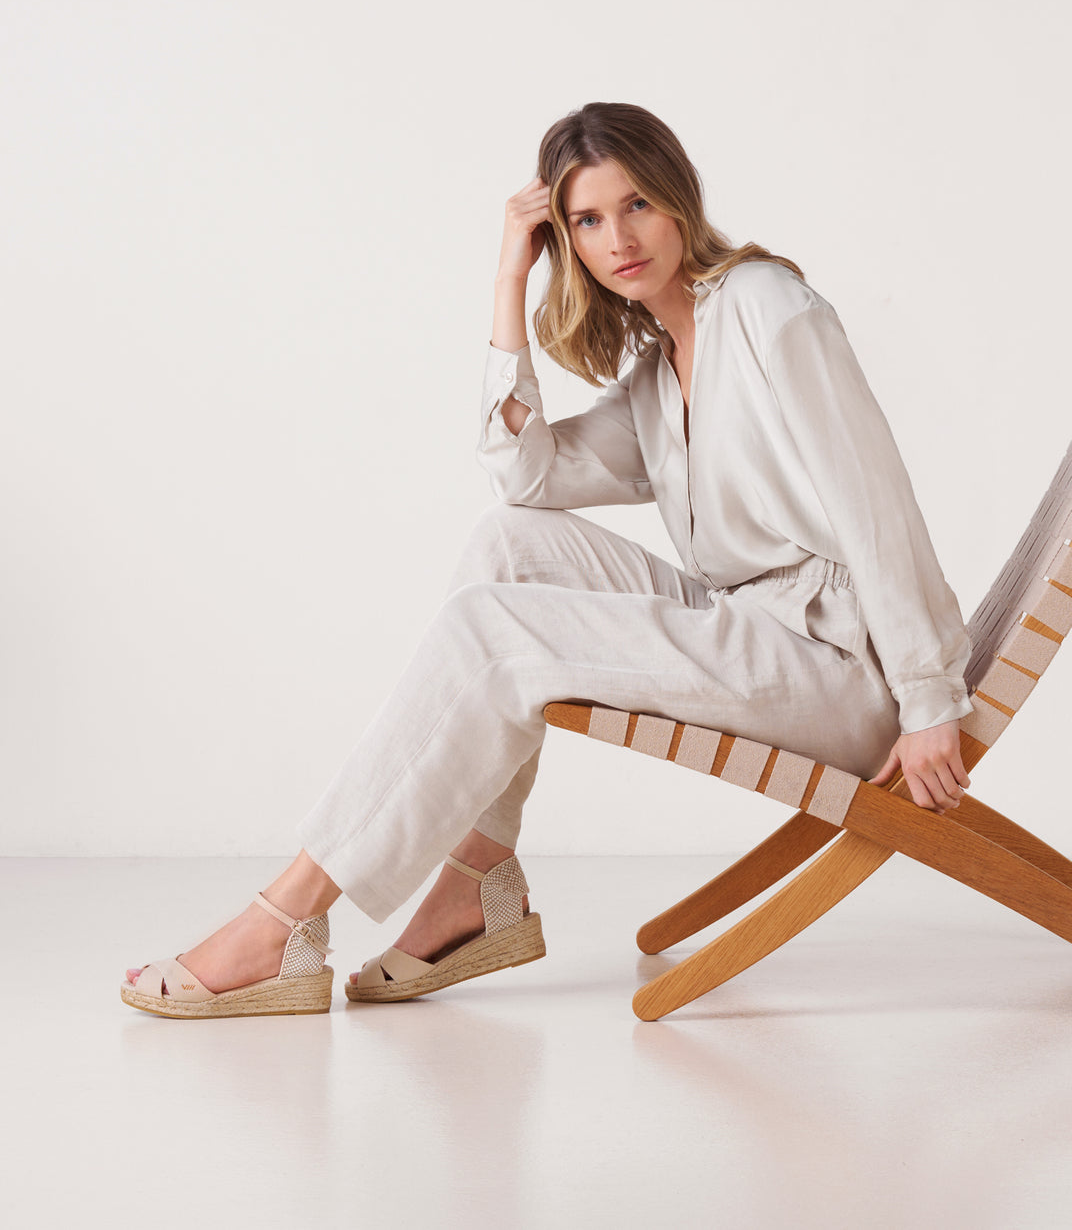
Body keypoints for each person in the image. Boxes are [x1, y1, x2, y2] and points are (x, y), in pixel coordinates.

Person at [121, 101, 974, 1018]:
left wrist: (929, 699)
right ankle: (476, 879)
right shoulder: (659, 367)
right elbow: (525, 480)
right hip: (756, 636)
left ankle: (285, 918)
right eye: (588, 220)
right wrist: (505, 285)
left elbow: (876, 500)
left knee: (492, 628)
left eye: (638, 204)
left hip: (845, 673)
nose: (621, 238)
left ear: (681, 199)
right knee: (509, 549)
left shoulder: (767, 308)